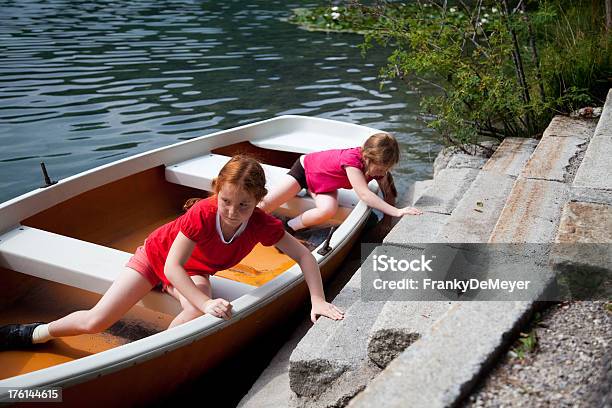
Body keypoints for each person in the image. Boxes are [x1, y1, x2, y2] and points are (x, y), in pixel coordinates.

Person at [0, 155, 344, 350]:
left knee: (197, 306)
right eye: (225, 201)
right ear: (215, 193)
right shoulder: (202, 214)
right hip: (155, 260)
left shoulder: (260, 223)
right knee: (96, 320)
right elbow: (172, 264)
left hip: (194, 271)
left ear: (258, 201)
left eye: (243, 204)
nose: (232, 211)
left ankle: (156, 351)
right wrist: (205, 302)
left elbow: (302, 256)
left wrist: (317, 299)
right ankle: (32, 333)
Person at [259, 132, 423, 231]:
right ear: (366, 157)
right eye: (380, 169)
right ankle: (240, 225)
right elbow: (364, 195)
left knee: (328, 210)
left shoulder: (380, 169)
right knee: (265, 206)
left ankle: (288, 227)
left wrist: (386, 222)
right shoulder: (351, 161)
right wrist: (397, 212)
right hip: (305, 171)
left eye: (386, 169)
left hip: (324, 185)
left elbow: (389, 194)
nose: (382, 173)